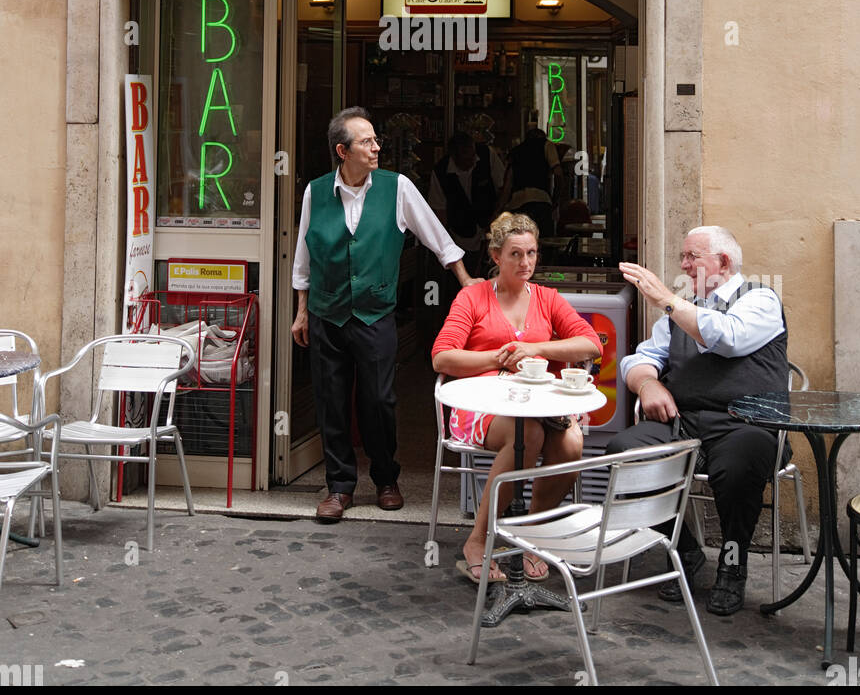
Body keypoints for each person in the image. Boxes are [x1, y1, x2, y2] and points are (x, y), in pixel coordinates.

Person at [292, 107, 480, 523]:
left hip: (375, 313)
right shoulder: (316, 192)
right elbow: (304, 255)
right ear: (342, 151)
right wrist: (302, 310)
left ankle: (385, 478)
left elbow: (436, 236)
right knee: (331, 401)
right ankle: (339, 487)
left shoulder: (397, 188)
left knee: (378, 400)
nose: (377, 147)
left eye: (376, 140)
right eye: (367, 142)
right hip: (327, 312)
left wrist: (465, 280)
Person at [609, 225, 788, 616]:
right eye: (683, 257)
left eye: (693, 257)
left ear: (722, 262)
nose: (684, 265)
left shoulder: (759, 299)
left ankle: (733, 561)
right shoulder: (682, 309)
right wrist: (646, 385)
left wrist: (667, 299)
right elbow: (640, 358)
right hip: (685, 422)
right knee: (623, 452)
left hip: (747, 422)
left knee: (740, 464)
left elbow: (729, 338)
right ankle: (683, 552)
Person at [431, 212, 602, 583]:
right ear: (496, 257)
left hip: (538, 403)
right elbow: (442, 356)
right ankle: (477, 540)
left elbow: (591, 344)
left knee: (572, 441)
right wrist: (497, 358)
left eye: (532, 254)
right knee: (529, 436)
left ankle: (532, 534)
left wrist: (536, 347)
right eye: (516, 255)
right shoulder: (472, 297)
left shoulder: (547, 298)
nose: (526, 263)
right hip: (479, 405)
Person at [428, 131, 504, 277]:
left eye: (472, 154)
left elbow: (503, 188)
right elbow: (440, 209)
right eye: (465, 158)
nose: (472, 160)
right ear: (454, 156)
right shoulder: (440, 172)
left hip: (490, 229)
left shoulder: (487, 156)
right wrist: (446, 244)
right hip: (460, 234)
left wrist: (497, 215)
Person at [497, 113, 563, 237]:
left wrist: (498, 211)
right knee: (544, 245)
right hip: (541, 203)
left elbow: (507, 187)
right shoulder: (547, 145)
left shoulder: (515, 152)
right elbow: (559, 174)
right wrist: (555, 200)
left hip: (518, 207)